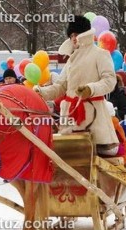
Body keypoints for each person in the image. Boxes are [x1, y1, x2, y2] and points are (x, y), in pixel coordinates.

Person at [36, 15, 119, 156]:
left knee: (94, 160)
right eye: (72, 35)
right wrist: (41, 93)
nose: (74, 38)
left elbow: (110, 81)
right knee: (69, 159)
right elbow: (60, 86)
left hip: (94, 120)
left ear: (85, 34)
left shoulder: (100, 54)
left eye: (77, 34)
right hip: (70, 121)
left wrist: (90, 89)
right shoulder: (71, 60)